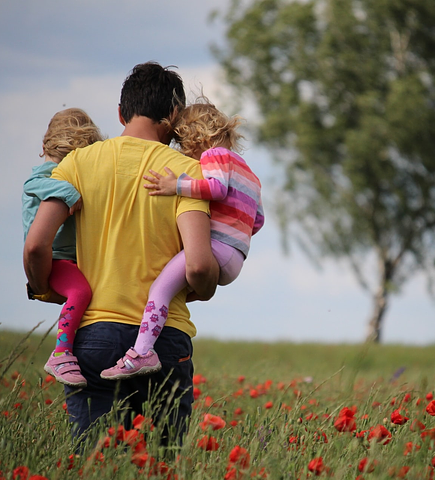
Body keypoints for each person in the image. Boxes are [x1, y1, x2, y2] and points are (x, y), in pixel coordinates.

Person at [24, 61, 217, 448]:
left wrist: (44, 285)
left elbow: (35, 244)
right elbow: (197, 265)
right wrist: (205, 286)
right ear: (174, 115)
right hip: (164, 340)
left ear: (120, 112)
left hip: (93, 336)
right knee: (161, 464)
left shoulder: (78, 163)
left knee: (95, 462)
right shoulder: (186, 174)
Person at [100, 98, 264, 380]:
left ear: (196, 136)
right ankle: (149, 341)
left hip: (216, 249)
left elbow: (216, 188)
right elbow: (258, 220)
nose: (183, 151)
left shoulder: (215, 156)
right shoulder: (250, 173)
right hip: (236, 256)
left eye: (183, 142)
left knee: (159, 290)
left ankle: (141, 352)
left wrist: (175, 185)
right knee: (174, 290)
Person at [22, 108, 102, 388]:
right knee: (80, 292)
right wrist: (70, 193)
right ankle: (61, 353)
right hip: (55, 258)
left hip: (69, 258)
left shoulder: (60, 170)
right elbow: (33, 183)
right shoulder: (48, 173)